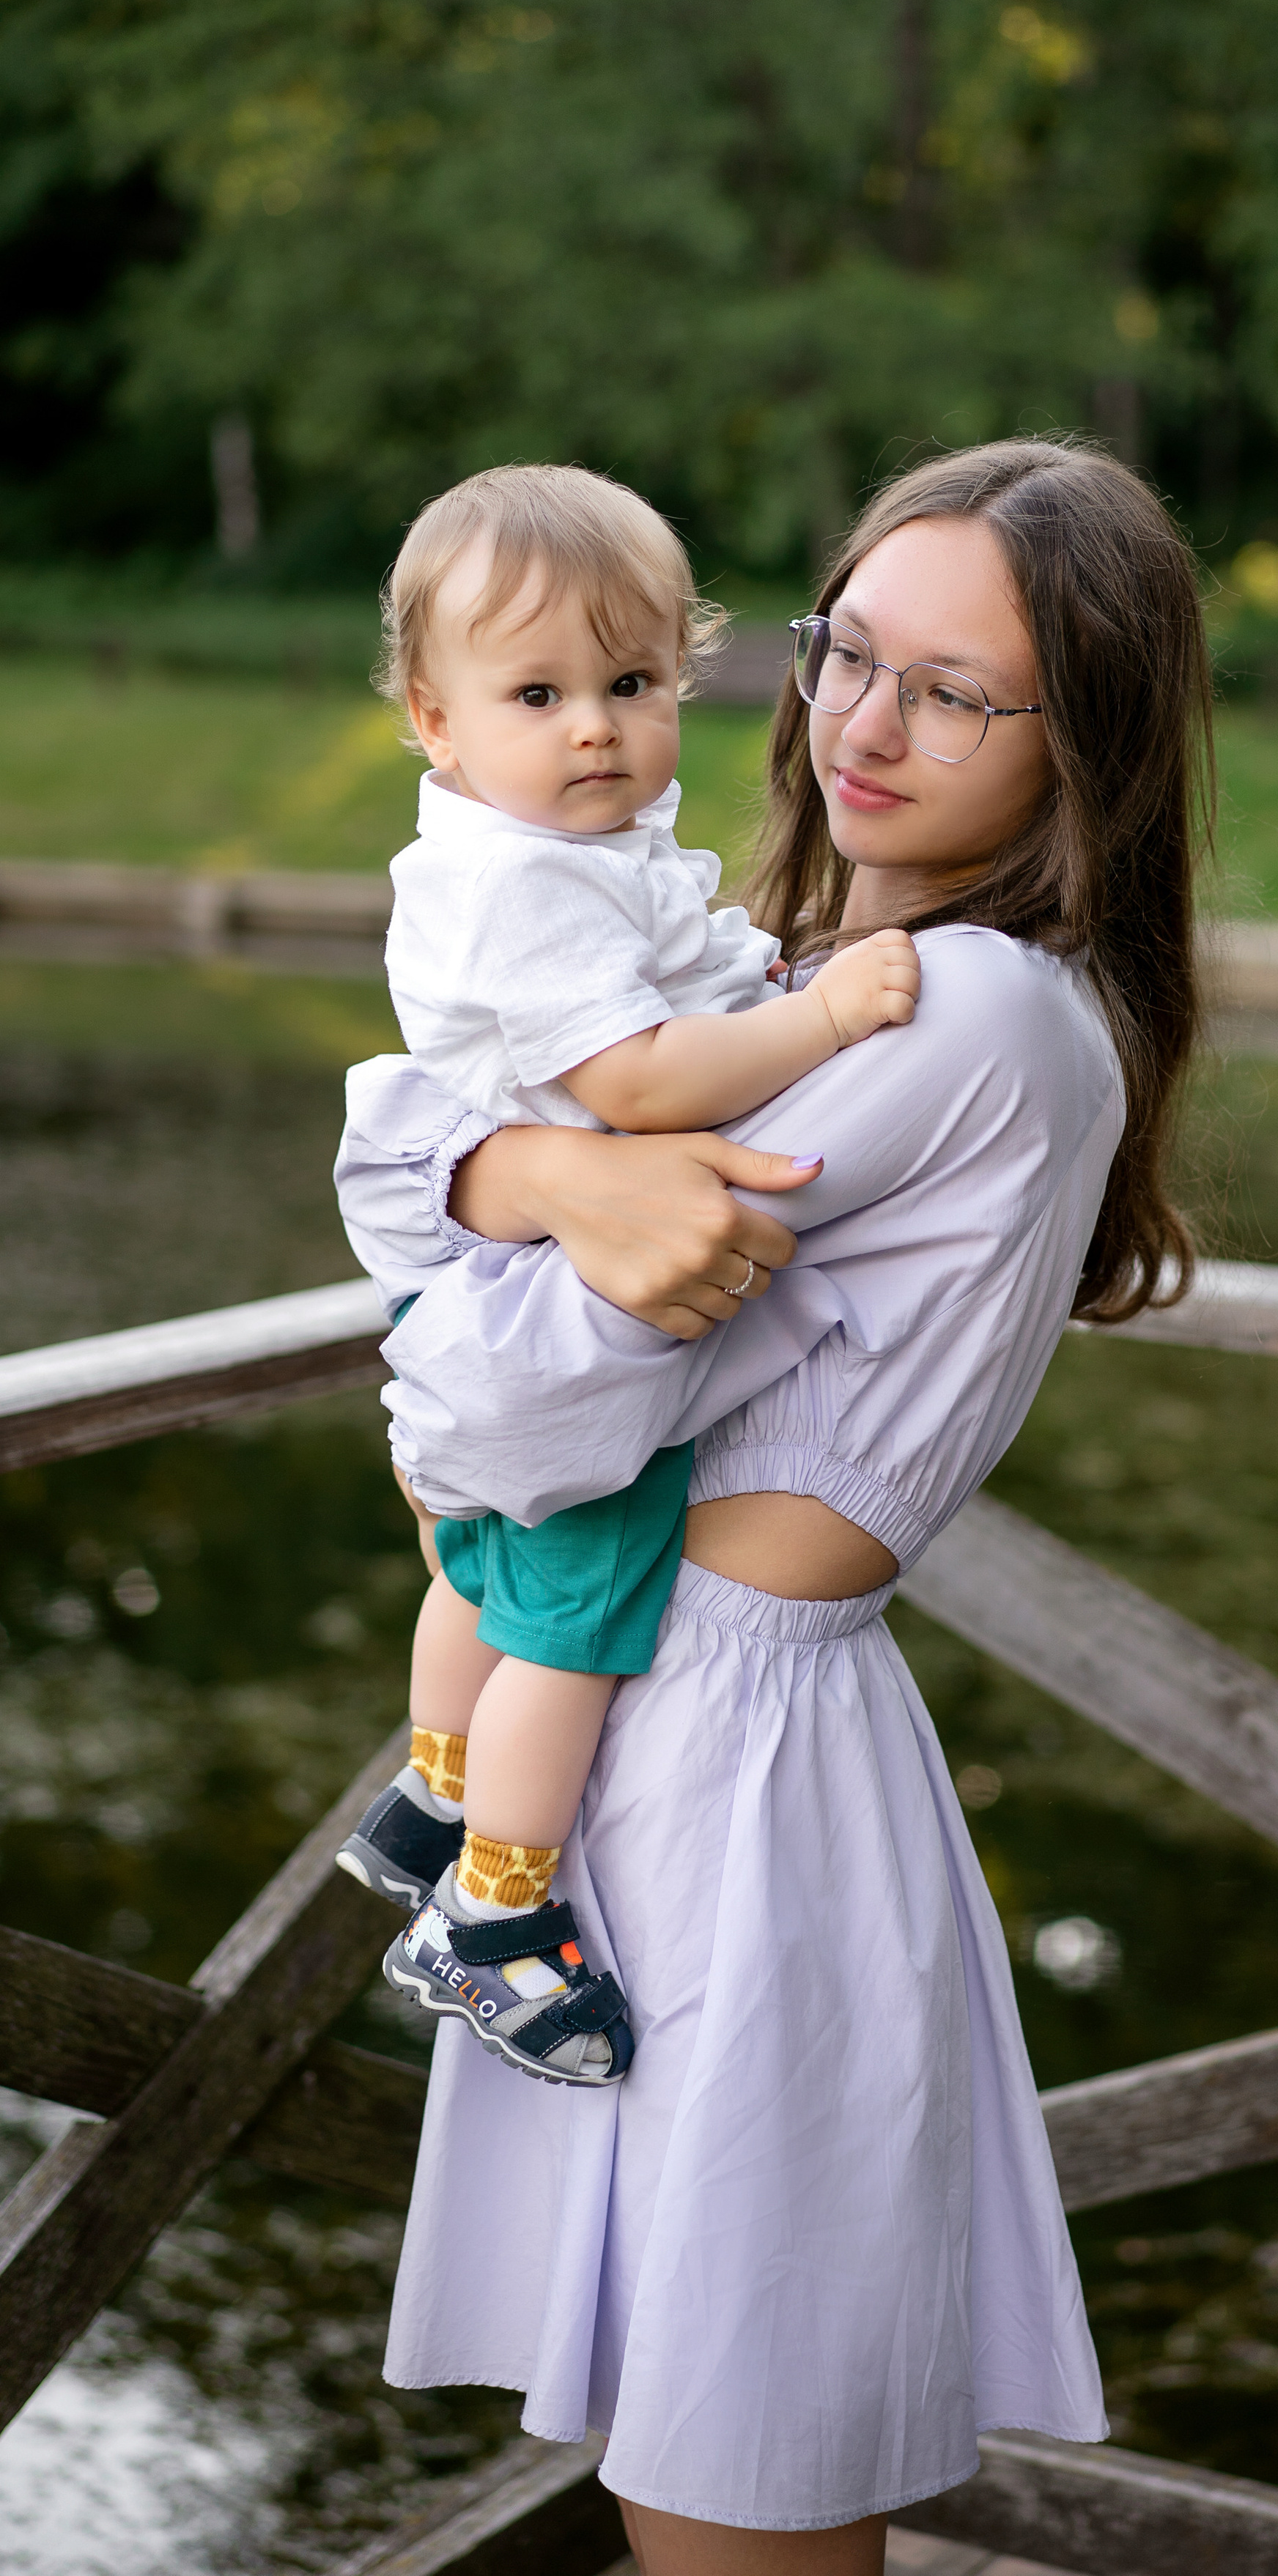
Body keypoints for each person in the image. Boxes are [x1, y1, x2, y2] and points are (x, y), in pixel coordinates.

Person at [333, 437, 1214, 2575]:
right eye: (848, 655)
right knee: (684, 2467)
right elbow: (412, 1152)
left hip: (729, 1763)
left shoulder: (965, 1013)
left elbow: (489, 1403)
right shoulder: (791, 971)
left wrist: (505, 1192)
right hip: (652, 1732)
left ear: (1084, 742)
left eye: (960, 693)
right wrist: (535, 1172)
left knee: (735, 2496)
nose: (865, 727)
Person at [333, 464, 920, 2092]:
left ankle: (431, 1795)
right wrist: (827, 1013)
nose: (596, 726)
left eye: (635, 684)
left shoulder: (555, 844)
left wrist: (757, 973)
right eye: (540, 694)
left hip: (491, 1297)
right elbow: (646, 1082)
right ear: (433, 718)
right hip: (547, 1327)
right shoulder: (522, 884)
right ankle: (493, 1917)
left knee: (480, 1571)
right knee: (579, 1627)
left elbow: (674, 977)